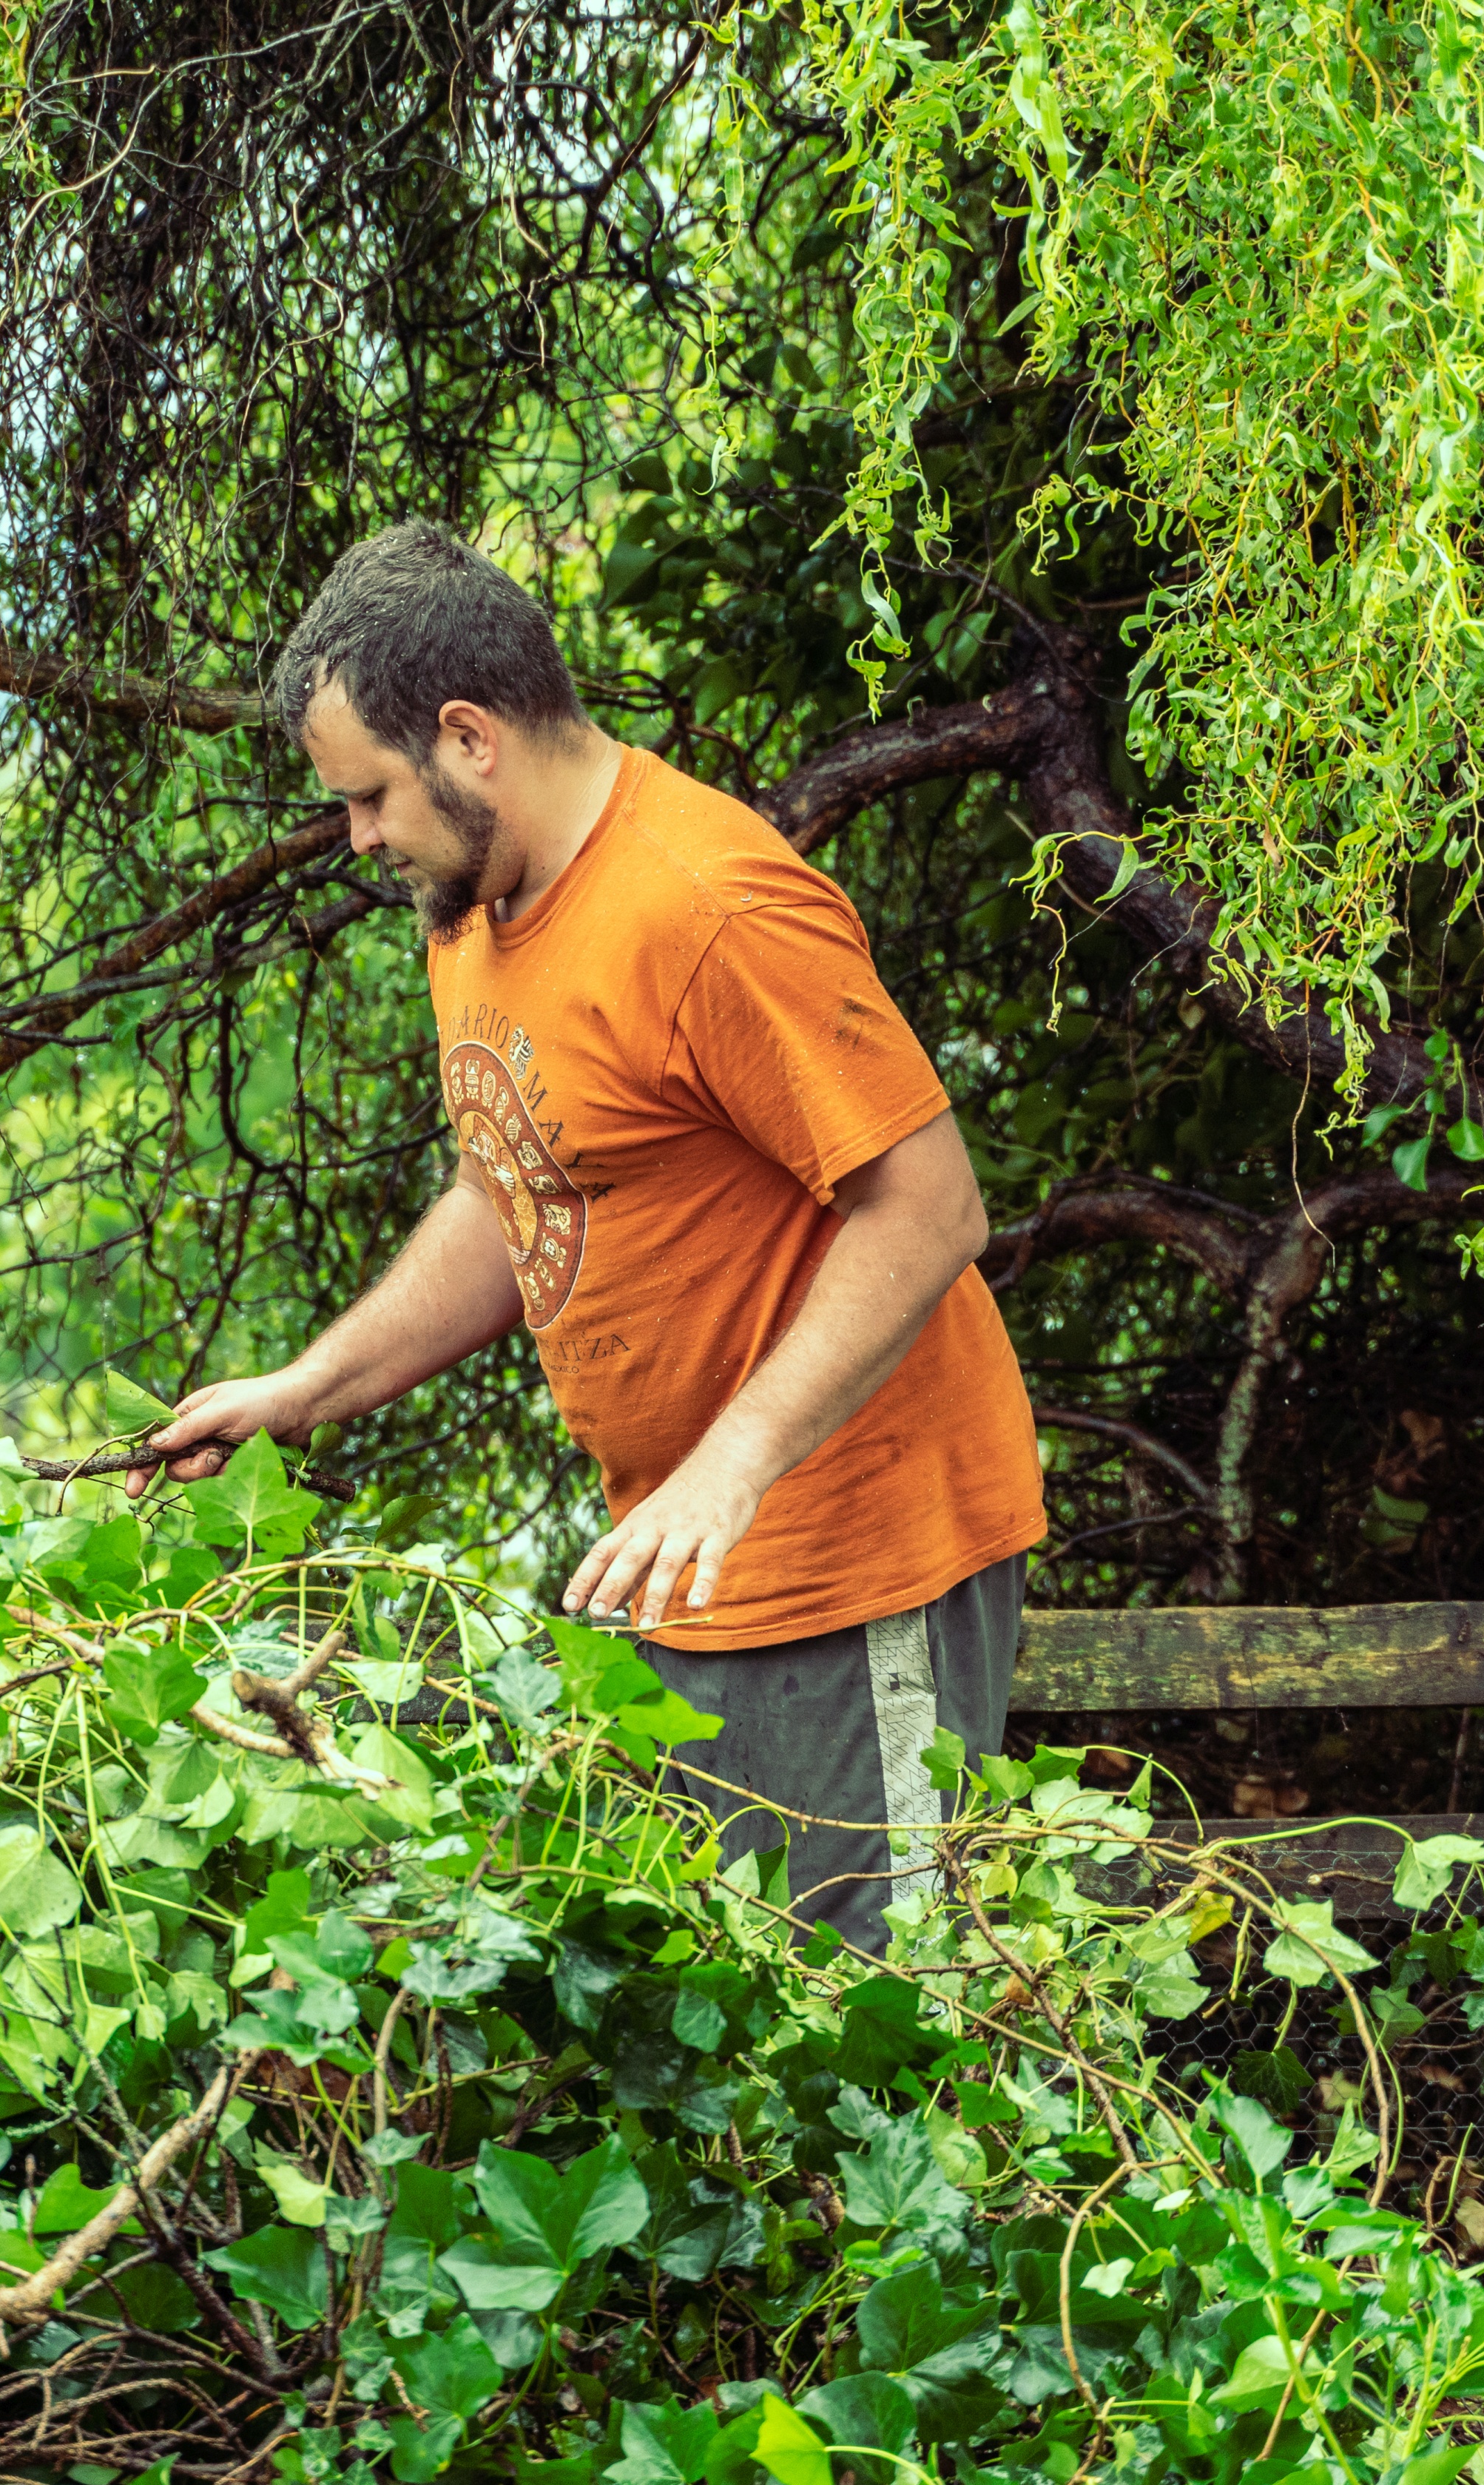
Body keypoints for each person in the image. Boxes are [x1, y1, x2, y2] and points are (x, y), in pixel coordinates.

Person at [144, 521, 1047, 1952]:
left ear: (468, 737)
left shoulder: (706, 905)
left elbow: (932, 1206)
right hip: (680, 1569)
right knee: (742, 2038)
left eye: (372, 797)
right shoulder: (476, 907)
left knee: (889, 2036)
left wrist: (729, 1471)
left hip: (853, 1554)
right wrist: (306, 1393)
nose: (360, 839)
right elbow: (517, 1192)